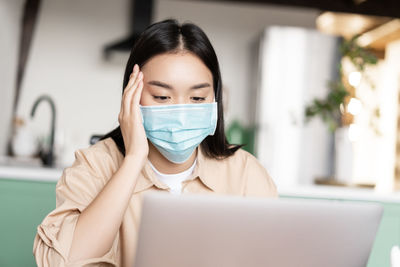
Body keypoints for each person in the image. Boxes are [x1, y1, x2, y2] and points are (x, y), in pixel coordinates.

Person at [33, 18, 278, 267]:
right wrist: (133, 160)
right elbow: (61, 263)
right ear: (131, 94)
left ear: (214, 100)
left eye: (197, 97)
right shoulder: (94, 166)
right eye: (162, 96)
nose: (181, 113)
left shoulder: (246, 174)